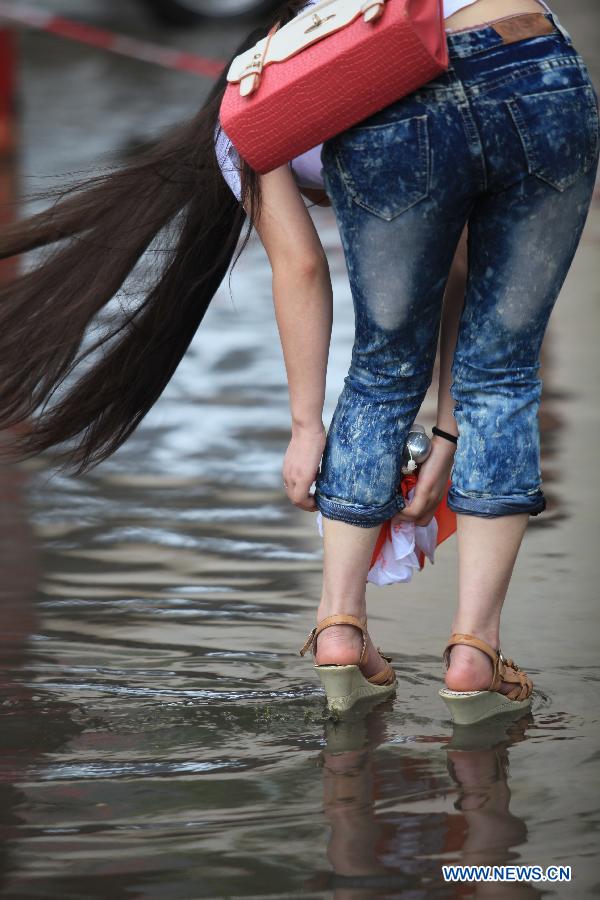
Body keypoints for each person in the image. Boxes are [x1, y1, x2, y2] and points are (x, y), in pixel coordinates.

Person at [0, 0, 597, 719]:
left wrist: (307, 426)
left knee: (379, 370)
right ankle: (477, 651)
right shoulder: (353, 33)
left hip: (402, 107)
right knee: (502, 376)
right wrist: (448, 428)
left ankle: (339, 627)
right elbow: (467, 276)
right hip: (532, 61)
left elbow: (301, 269)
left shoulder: (254, 103)